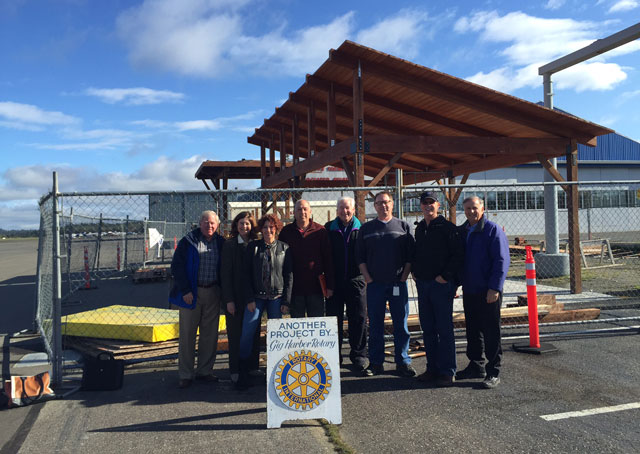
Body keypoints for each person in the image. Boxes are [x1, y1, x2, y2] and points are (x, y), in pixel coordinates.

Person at [356, 191, 416, 378]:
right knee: (375, 325)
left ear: (392, 204)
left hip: (397, 284)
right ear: (374, 206)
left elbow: (410, 256)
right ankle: (376, 363)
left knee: (401, 324)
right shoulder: (366, 229)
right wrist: (368, 278)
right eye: (379, 203)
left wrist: (403, 277)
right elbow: (360, 257)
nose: (383, 206)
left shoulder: (403, 226)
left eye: (387, 202)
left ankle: (403, 362)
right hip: (375, 286)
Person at [456, 196, 510, 389]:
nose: (471, 211)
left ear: (482, 208)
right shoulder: (463, 231)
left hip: (488, 291)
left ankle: (493, 370)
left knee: (491, 331)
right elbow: (459, 260)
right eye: (468, 208)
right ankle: (475, 365)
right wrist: (456, 284)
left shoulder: (492, 230)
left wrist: (494, 288)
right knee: (473, 330)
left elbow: (501, 261)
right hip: (470, 289)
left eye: (475, 208)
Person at [412, 191, 464, 387]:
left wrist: (446, 277)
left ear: (438, 205)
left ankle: (448, 371)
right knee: (428, 328)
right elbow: (417, 253)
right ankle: (432, 368)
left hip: (441, 285)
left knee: (444, 328)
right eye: (424, 203)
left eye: (431, 203)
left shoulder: (448, 228)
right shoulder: (420, 229)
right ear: (421, 206)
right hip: (423, 285)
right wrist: (415, 272)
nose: (428, 206)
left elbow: (458, 255)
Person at [169, 210, 225, 389]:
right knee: (187, 335)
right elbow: (176, 267)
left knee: (209, 335)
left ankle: (204, 371)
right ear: (200, 224)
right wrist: (185, 290)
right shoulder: (188, 242)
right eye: (206, 222)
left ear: (217, 225)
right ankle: (186, 374)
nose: (209, 226)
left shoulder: (222, 243)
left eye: (213, 223)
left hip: (213, 292)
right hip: (191, 294)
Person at [236, 214, 292, 390]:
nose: (268, 230)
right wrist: (249, 298)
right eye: (265, 227)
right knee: (247, 332)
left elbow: (289, 276)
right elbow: (244, 275)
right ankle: (243, 373)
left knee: (276, 337)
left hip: (276, 298)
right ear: (261, 229)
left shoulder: (284, 248)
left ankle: (276, 373)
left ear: (276, 228)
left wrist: (286, 300)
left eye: (271, 227)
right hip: (256, 298)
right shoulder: (253, 247)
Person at [325, 196, 368, 371]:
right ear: (337, 210)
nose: (345, 211)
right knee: (333, 320)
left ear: (354, 210)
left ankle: (358, 355)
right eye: (341, 208)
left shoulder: (362, 228)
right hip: (334, 283)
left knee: (358, 318)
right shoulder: (328, 229)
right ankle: (334, 356)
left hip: (356, 281)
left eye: (348, 208)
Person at [221, 211, 260, 384]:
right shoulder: (229, 245)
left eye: (247, 223)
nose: (244, 226)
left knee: (253, 333)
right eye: (241, 223)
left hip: (253, 297)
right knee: (235, 334)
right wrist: (228, 300)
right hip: (235, 298)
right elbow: (225, 274)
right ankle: (235, 370)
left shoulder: (257, 244)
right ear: (236, 225)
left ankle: (252, 367)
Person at [279, 199, 334, 318]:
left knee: (316, 323)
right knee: (298, 326)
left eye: (305, 209)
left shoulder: (320, 231)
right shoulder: (286, 232)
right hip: (295, 289)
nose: (302, 212)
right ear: (294, 212)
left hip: (316, 288)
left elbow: (328, 259)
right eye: (299, 209)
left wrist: (329, 285)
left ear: (310, 212)